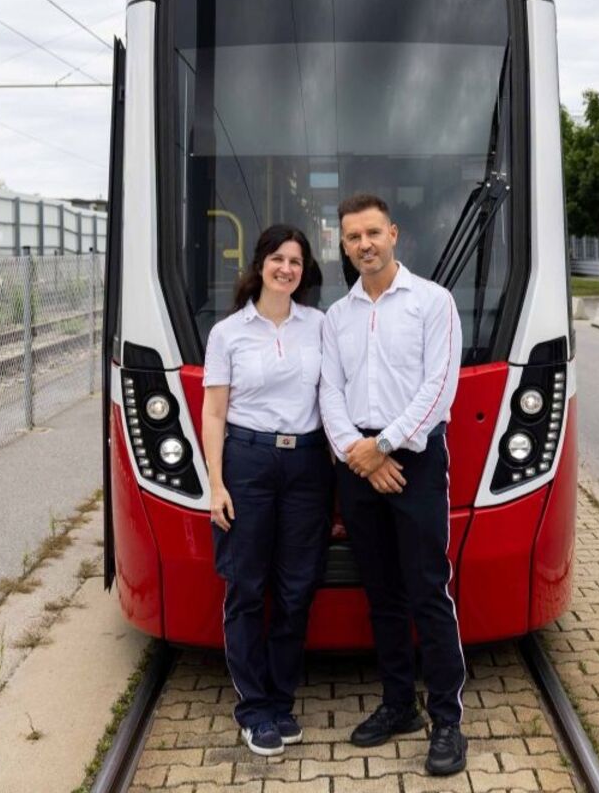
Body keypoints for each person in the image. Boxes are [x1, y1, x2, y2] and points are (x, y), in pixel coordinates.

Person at [317, 193, 469, 777]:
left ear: (394, 234)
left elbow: (440, 387)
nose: (365, 245)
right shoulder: (337, 316)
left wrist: (382, 445)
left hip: (415, 461)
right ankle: (399, 705)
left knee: (428, 589)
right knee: (381, 592)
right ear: (344, 244)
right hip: (357, 463)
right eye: (353, 237)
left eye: (373, 233)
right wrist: (357, 453)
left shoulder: (433, 302)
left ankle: (447, 720)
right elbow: (329, 391)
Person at [200, 223, 331, 757]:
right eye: (278, 259)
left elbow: (332, 397)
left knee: (297, 589)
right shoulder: (228, 333)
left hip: (307, 465)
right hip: (248, 463)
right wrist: (216, 485)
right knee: (247, 588)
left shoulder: (319, 325)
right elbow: (214, 412)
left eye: (295, 261)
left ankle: (280, 700)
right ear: (260, 265)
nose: (286, 269)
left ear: (304, 271)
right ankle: (253, 708)